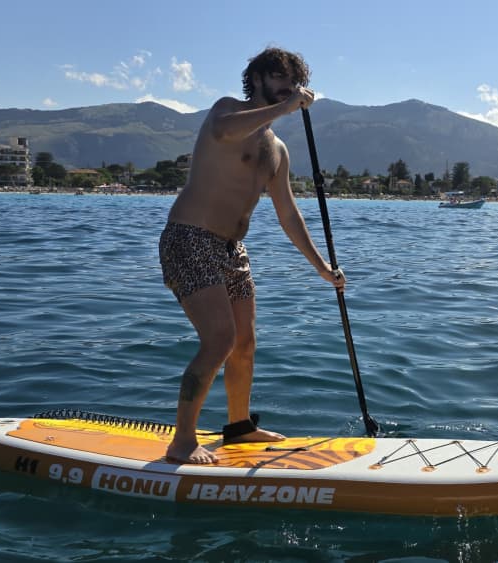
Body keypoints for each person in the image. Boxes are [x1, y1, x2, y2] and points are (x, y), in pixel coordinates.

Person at [158, 47, 345, 464]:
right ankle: (182, 441)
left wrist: (322, 268)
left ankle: (239, 427)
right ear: (257, 79)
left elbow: (288, 214)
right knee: (219, 339)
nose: (289, 87)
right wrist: (283, 107)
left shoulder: (277, 151)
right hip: (188, 238)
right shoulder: (226, 112)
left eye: (294, 82)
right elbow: (226, 132)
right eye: (279, 77)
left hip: (232, 248)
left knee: (244, 343)